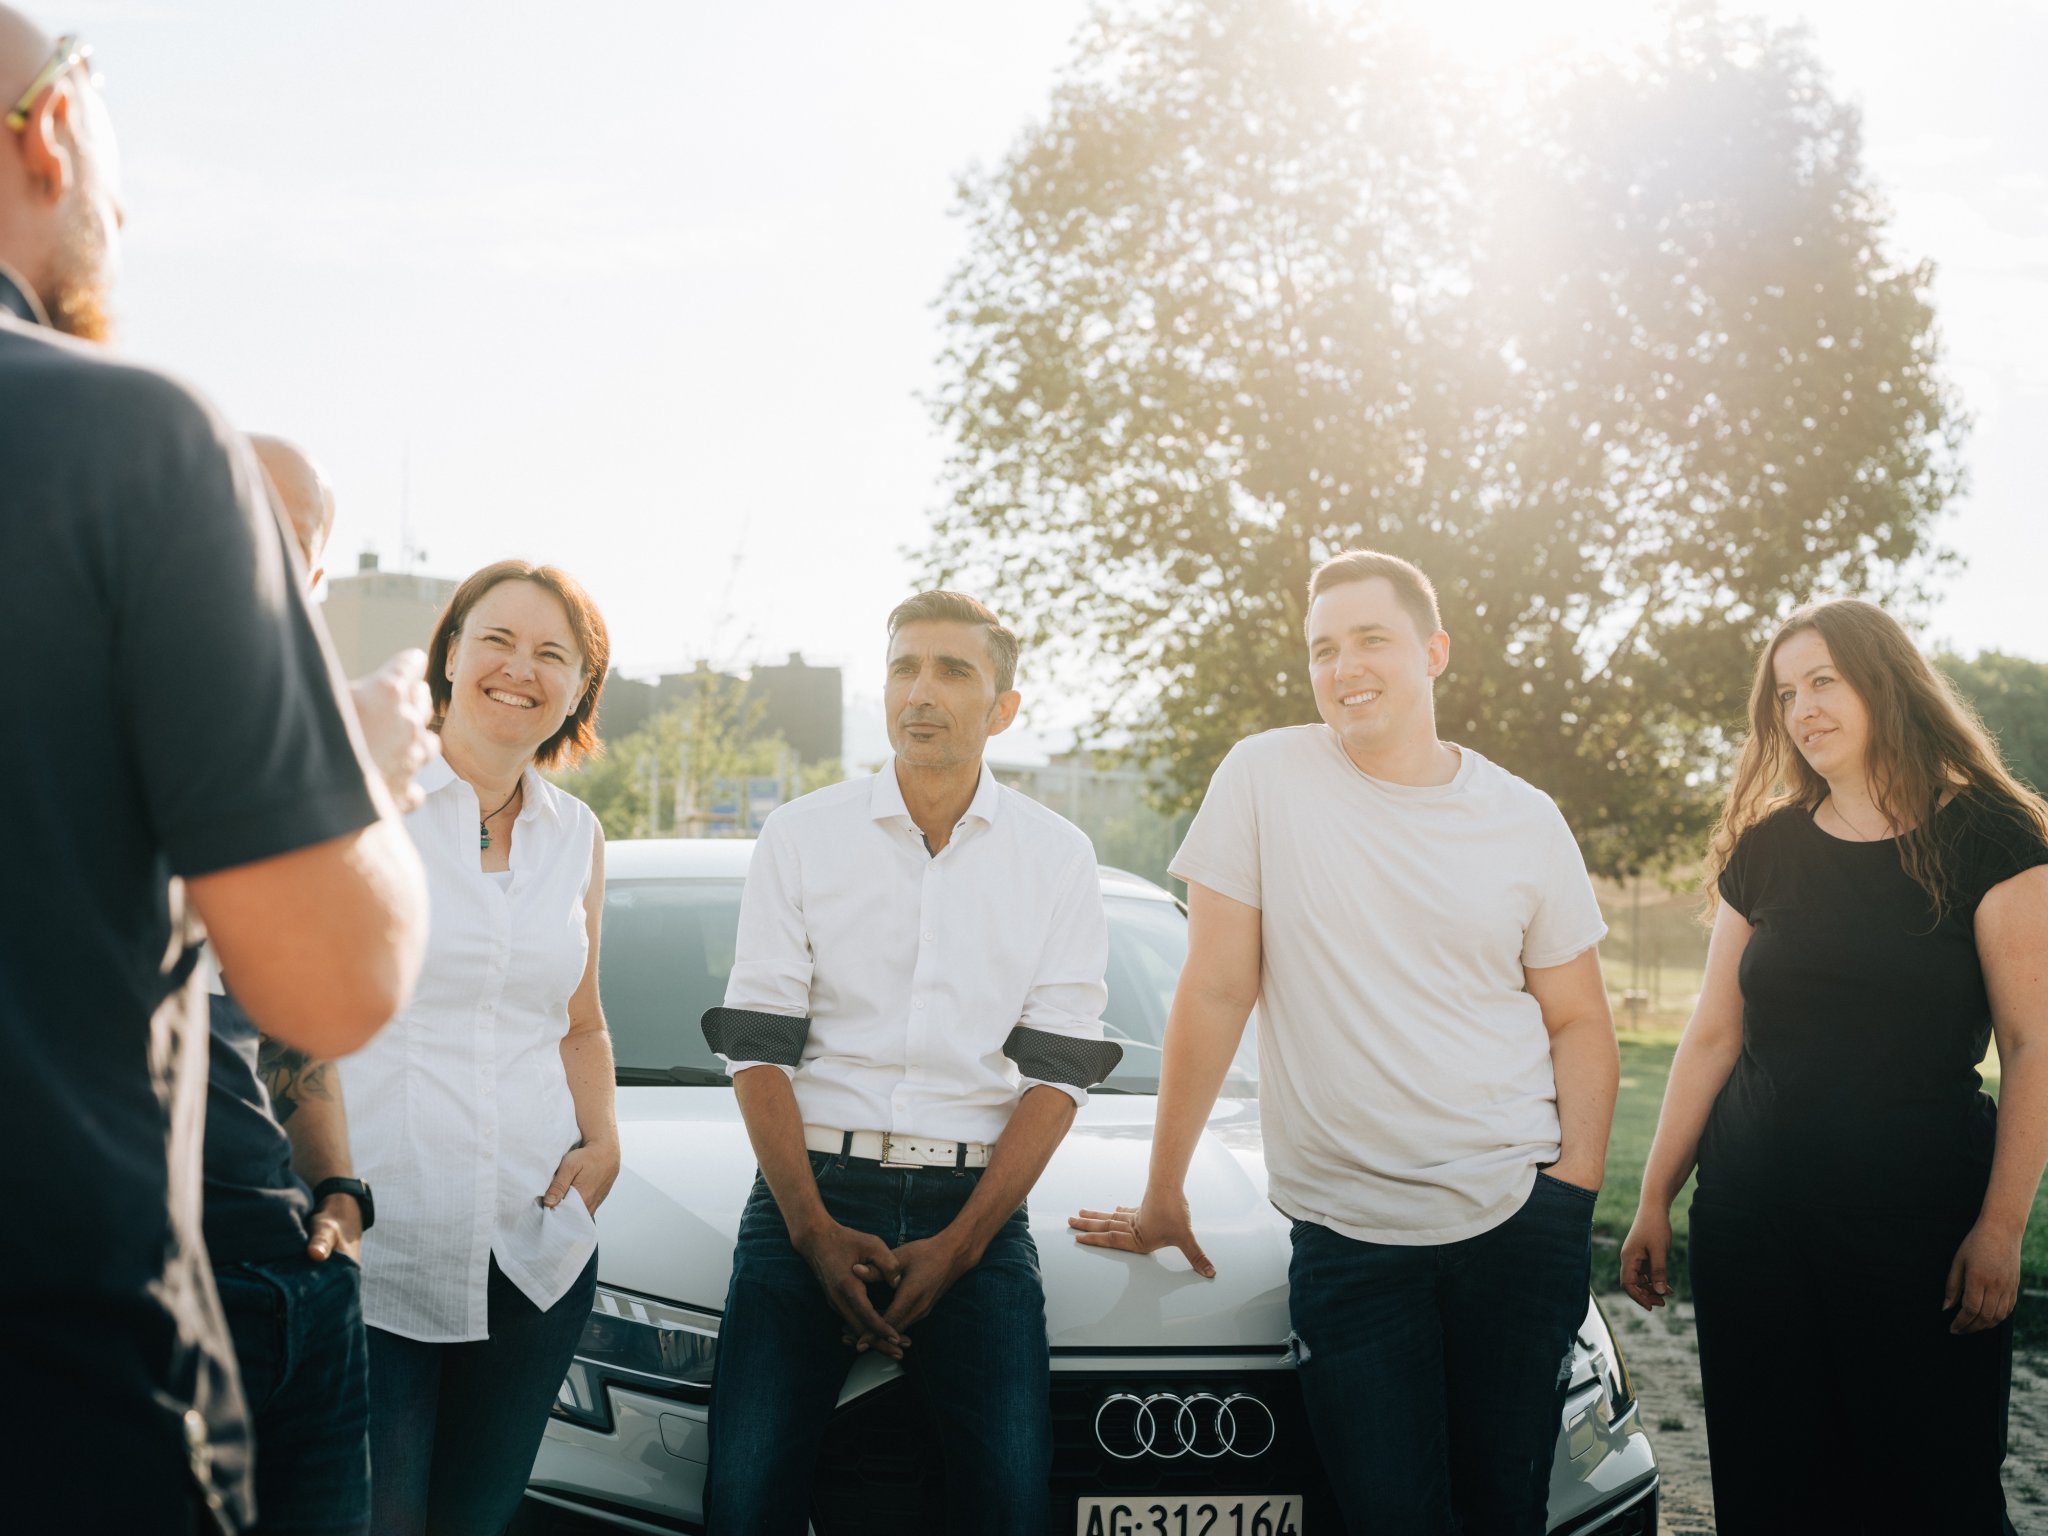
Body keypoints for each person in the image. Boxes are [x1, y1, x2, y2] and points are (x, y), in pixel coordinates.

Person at [0, 13, 429, 1533]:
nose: (131, 208)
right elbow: (330, 986)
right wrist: (358, 776)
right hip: (55, 1399)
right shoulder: (132, 443)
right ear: (50, 131)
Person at [1072, 550, 1619, 1536]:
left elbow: (1578, 1018)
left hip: (1512, 1226)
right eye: (1322, 648)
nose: (1343, 666)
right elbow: (1213, 989)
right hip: (1349, 1244)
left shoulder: (1522, 819)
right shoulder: (1262, 777)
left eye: (1370, 639)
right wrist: (1165, 1188)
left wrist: (1568, 1196)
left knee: (1504, 1515)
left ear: (1432, 652)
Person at [1618, 598, 2048, 1532]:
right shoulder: (1768, 847)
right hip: (1754, 1230)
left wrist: (2003, 1226)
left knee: (1935, 1494)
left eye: (1824, 681)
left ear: (1885, 683)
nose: (1802, 708)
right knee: (1773, 1491)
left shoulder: (1993, 837)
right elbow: (1712, 1034)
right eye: (1783, 693)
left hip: (1921, 1235)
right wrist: (1657, 1197)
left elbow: (2031, 1046)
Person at [702, 591, 1119, 1535]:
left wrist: (965, 1244)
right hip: (808, 1190)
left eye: (953, 671)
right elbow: (758, 1048)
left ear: (1002, 708)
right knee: (743, 1499)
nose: (921, 692)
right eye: (904, 668)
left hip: (976, 1211)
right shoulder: (799, 836)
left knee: (1010, 1501)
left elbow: (1058, 1074)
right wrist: (809, 1228)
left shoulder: (1057, 857)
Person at [341, 559, 618, 1536]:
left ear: (578, 689)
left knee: (478, 1522)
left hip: (531, 1255)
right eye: (497, 638)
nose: (520, 668)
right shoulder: (365, 797)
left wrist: (606, 1140)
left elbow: (577, 1020)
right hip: (375, 1253)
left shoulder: (575, 835)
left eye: (553, 654)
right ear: (450, 653)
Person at [203, 434, 437, 1536]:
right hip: (162, 1295)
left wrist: (342, 1197)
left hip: (303, 1280)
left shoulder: (307, 744)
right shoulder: (86, 712)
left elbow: (304, 1022)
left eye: (291, 538)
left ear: (313, 581)